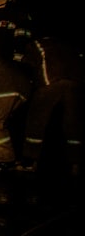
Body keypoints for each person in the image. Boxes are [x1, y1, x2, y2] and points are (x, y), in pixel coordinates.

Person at [18, 36, 84, 177]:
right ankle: (76, 163)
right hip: (75, 81)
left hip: (51, 80)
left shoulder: (35, 44)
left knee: (36, 119)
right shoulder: (67, 44)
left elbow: (27, 61)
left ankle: (30, 161)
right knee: (72, 122)